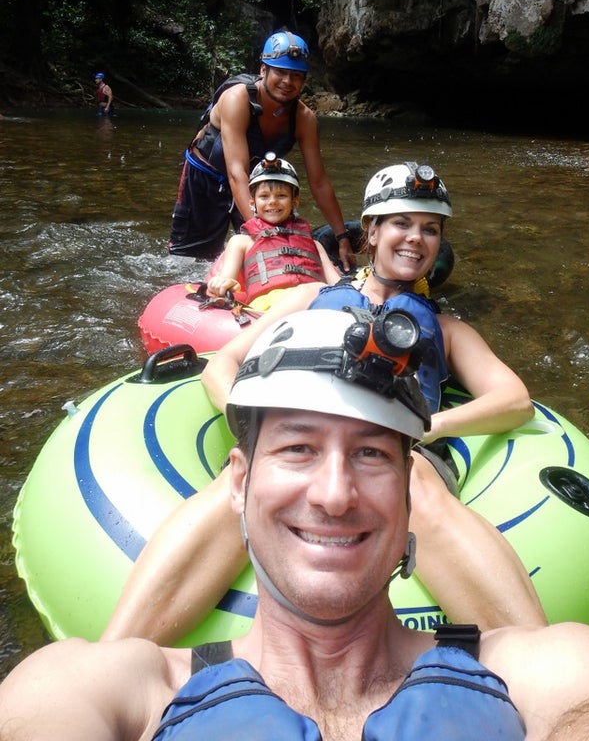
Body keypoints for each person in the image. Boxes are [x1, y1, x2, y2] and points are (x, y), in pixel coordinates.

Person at [0, 309, 589, 740]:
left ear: (405, 490)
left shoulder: (543, 671)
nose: (336, 494)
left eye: (371, 454)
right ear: (239, 479)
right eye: (298, 448)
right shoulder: (114, 691)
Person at [101, 161, 546, 645]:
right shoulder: (314, 296)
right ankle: (119, 656)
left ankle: (538, 671)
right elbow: (221, 364)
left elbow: (515, 400)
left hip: (404, 449)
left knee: (413, 479)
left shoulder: (450, 330)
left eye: (430, 229)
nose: (416, 238)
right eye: (401, 223)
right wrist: (258, 431)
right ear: (371, 232)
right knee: (247, 478)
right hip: (303, 431)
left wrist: (426, 427)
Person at [168, 29, 355, 269]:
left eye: (296, 75)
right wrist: (262, 232)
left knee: (265, 258)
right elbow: (236, 171)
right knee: (190, 262)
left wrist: (342, 238)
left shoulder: (304, 119)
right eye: (280, 72)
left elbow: (319, 182)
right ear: (264, 70)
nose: (288, 82)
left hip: (256, 186)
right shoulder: (237, 100)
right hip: (206, 179)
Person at [204, 152, 340, 305]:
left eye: (281, 195)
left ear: (295, 202)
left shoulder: (315, 246)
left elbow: (339, 286)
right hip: (266, 309)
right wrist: (223, 284)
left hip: (313, 304)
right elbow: (227, 279)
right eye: (264, 196)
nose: (273, 202)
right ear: (252, 203)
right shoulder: (241, 242)